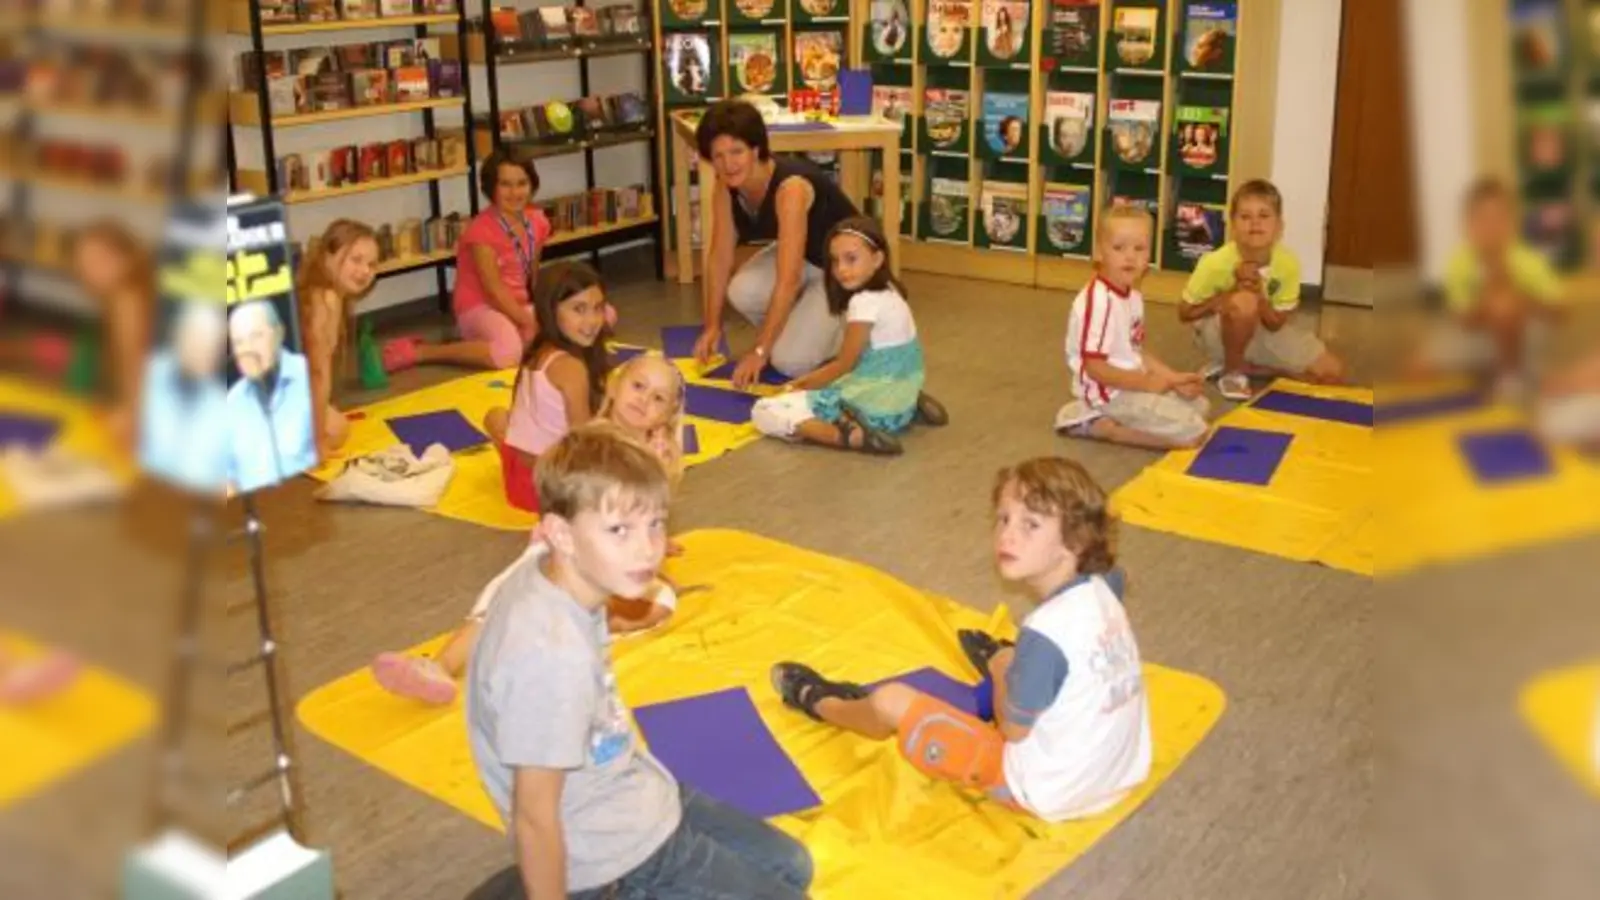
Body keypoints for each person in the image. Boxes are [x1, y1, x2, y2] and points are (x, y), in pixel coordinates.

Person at [465, 424, 814, 899]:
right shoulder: (550, 659)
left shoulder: (550, 572)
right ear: (561, 534)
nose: (647, 548)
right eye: (619, 530)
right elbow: (534, 815)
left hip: (632, 793)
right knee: (789, 891)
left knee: (792, 865)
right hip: (618, 855)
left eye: (655, 523)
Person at [770, 456, 1151, 822]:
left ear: (1076, 542)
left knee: (890, 701)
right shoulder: (1106, 583)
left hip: (1045, 791)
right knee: (1015, 664)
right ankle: (1003, 663)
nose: (1007, 535)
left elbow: (1013, 732)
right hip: (1115, 775)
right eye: (1003, 519)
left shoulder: (1044, 633)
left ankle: (823, 703)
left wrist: (1007, 674)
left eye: (1030, 525)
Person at [370, 342, 690, 705]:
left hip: (610, 565)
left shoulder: (655, 456)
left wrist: (654, 547)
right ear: (615, 386)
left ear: (668, 415)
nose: (645, 400)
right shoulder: (588, 439)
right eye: (638, 386)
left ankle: (576, 627)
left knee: (663, 601)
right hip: (566, 551)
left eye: (659, 398)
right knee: (503, 601)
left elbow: (646, 517)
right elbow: (564, 498)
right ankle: (439, 667)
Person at [692, 99, 863, 388]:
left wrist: (760, 350)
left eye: (737, 152)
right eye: (718, 156)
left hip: (844, 272)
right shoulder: (725, 187)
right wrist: (712, 326)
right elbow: (719, 258)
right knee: (741, 290)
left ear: (756, 149)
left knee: (789, 362)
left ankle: (854, 328)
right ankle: (801, 327)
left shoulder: (791, 189)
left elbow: (788, 279)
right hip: (805, 258)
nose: (728, 164)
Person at [752, 216, 945, 455]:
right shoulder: (891, 290)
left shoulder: (863, 303)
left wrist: (798, 385)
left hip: (875, 412)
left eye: (851, 259)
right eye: (835, 261)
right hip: (899, 404)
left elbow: (845, 364)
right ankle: (910, 401)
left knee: (764, 411)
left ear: (877, 259)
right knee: (835, 378)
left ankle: (846, 436)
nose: (841, 269)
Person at [1056, 206, 1211, 449]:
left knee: (1200, 406)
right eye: (1119, 248)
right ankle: (1101, 426)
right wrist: (1146, 384)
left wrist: (1172, 378)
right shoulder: (1099, 302)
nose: (1130, 257)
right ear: (1099, 252)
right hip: (1110, 394)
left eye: (1139, 249)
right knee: (1194, 432)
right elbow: (1095, 368)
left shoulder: (1133, 296)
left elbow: (1136, 351)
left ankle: (1097, 416)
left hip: (1132, 385)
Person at [383, 151, 552, 373]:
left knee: (592, 316)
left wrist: (544, 310)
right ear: (492, 188)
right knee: (508, 353)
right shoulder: (481, 230)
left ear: (532, 185)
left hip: (517, 304)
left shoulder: (538, 221)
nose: (515, 192)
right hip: (480, 306)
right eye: (505, 185)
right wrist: (528, 322)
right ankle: (424, 351)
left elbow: (533, 275)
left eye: (522, 183)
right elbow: (493, 291)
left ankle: (508, 335)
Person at [1178, 179, 1344, 401]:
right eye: (1245, 217)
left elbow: (1275, 324)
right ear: (1233, 225)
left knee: (1332, 371)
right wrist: (1227, 296)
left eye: (1264, 216)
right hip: (1217, 333)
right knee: (1244, 302)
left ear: (1279, 226)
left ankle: (1251, 366)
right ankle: (1232, 372)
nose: (1255, 223)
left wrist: (1260, 296)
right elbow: (1184, 313)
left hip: (1263, 330)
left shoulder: (1288, 264)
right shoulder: (1214, 263)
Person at [1408, 177, 1565, 398]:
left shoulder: (1528, 261)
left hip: (1526, 338)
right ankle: (1485, 375)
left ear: (1512, 223)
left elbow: (1559, 312)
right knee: (1418, 366)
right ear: (1468, 226)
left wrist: (1523, 301)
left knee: (1505, 305)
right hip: (1478, 335)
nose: (1491, 228)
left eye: (1499, 219)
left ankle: (1512, 378)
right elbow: (1464, 320)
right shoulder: (1460, 264)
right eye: (1482, 220)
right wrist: (1488, 297)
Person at [478, 262, 612, 512]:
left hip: (518, 480)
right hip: (548, 492)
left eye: (598, 308)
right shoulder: (571, 368)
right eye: (578, 309)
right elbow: (583, 446)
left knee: (497, 416)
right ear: (551, 311)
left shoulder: (539, 351)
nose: (592, 320)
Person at [296, 219, 379, 460]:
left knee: (337, 429)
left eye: (372, 264)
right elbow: (317, 375)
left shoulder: (324, 292)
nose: (365, 271)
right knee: (333, 433)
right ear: (328, 256)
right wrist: (318, 443)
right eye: (356, 260)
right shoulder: (326, 300)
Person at [72, 220, 153, 453]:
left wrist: (131, 417)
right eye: (83, 263)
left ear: (126, 257)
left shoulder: (128, 301)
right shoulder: (133, 290)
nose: (90, 270)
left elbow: (136, 368)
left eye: (100, 260)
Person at [225, 299, 318, 493]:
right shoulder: (232, 401)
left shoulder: (305, 375)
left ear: (279, 333)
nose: (246, 350)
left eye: (256, 336)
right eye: (238, 342)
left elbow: (332, 433)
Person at [139, 301, 230, 493]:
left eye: (210, 346)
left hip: (195, 507)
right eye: (195, 340)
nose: (202, 352)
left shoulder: (221, 407)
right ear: (178, 336)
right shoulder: (147, 376)